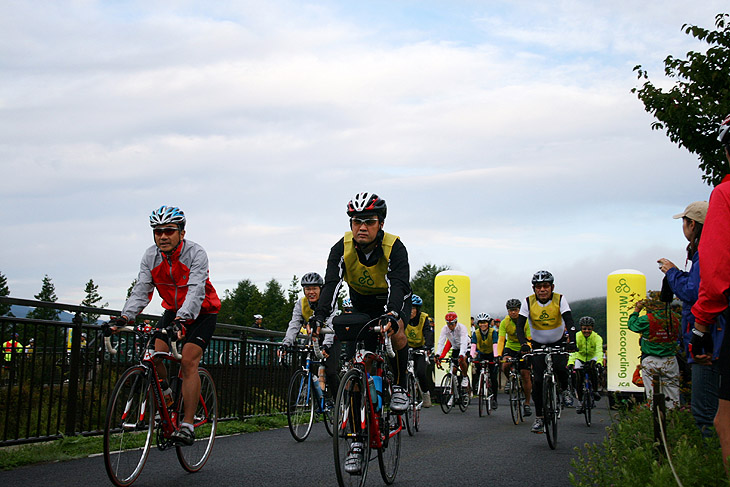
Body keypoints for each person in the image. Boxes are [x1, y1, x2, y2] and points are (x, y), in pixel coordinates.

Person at [312, 192, 411, 475]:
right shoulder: (340, 248)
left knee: (397, 333)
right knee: (356, 372)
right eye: (357, 221)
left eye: (369, 221)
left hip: (392, 301)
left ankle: (401, 386)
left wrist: (392, 314)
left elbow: (398, 284)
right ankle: (356, 443)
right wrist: (319, 317)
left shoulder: (395, 247)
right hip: (361, 306)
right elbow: (331, 285)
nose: (362, 227)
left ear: (380, 224)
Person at [112, 205, 221, 446]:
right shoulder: (150, 256)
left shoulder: (196, 253)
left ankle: (188, 424)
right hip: (173, 311)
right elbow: (142, 289)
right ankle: (168, 398)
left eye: (169, 231)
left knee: (188, 361)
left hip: (202, 312)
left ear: (181, 233)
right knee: (153, 354)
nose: (162, 236)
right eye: (158, 231)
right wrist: (125, 317)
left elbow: (196, 290)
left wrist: (182, 321)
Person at [659, 200, 722, 436]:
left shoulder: (704, 252)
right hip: (713, 337)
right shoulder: (715, 248)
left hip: (707, 340)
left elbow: (694, 292)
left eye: (684, 222)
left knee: (705, 414)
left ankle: (712, 466)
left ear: (692, 224)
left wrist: (672, 273)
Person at [690, 114, 730, 471]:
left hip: (723, 319)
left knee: (723, 420)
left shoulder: (725, 193)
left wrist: (700, 328)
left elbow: (716, 274)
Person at [515, 270, 577, 434]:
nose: (542, 289)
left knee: (561, 368)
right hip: (537, 344)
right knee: (537, 382)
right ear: (534, 288)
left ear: (552, 287)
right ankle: (540, 418)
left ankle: (564, 390)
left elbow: (569, 321)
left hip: (558, 342)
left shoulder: (560, 299)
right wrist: (524, 344)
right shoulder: (528, 302)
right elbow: (519, 327)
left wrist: (573, 341)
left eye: (546, 286)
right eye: (539, 287)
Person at [282, 272, 340, 400]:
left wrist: (327, 345)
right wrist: (286, 343)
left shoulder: (329, 301)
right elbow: (294, 324)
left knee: (330, 371)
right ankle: (310, 388)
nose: (311, 292)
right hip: (313, 338)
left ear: (321, 289)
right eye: (308, 289)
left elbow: (332, 323)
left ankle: (339, 403)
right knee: (304, 365)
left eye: (314, 288)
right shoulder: (301, 304)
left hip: (330, 337)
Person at [628, 294, 681, 408]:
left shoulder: (647, 319)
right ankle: (672, 418)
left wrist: (637, 310)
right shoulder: (675, 317)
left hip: (650, 359)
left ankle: (656, 418)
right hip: (671, 360)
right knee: (672, 396)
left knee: (652, 395)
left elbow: (632, 325)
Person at [498, 298, 533, 417]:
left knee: (525, 374)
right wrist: (498, 354)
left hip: (524, 346)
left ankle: (527, 403)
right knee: (505, 364)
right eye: (510, 310)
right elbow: (501, 340)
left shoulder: (526, 321)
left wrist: (527, 348)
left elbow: (529, 338)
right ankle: (510, 380)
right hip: (510, 347)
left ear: (519, 310)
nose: (513, 312)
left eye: (515, 310)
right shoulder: (504, 322)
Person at [568, 316, 603, 414]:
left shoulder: (597, 338)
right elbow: (573, 352)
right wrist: (570, 363)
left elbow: (599, 351)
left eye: (589, 329)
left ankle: (595, 391)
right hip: (580, 357)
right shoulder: (576, 336)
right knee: (578, 377)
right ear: (581, 328)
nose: (586, 331)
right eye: (584, 329)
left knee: (592, 367)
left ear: (592, 328)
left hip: (592, 357)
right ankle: (579, 402)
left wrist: (599, 362)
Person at [405, 294, 434, 407]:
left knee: (421, 372)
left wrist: (428, 346)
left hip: (420, 348)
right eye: (409, 308)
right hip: (406, 347)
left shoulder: (423, 318)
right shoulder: (404, 316)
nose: (411, 311)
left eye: (413, 308)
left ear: (417, 309)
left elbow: (428, 332)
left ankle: (426, 395)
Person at [435, 312, 470, 390]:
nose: (450, 326)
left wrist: (461, 354)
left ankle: (464, 377)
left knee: (462, 360)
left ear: (456, 322)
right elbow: (441, 342)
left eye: (452, 324)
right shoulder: (445, 329)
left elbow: (463, 342)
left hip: (466, 347)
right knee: (453, 369)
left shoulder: (462, 328)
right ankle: (454, 390)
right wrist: (438, 354)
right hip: (455, 348)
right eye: (448, 324)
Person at [471, 313, 499, 409]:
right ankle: (477, 385)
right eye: (481, 323)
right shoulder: (476, 333)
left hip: (492, 354)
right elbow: (473, 345)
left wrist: (496, 356)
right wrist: (471, 356)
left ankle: (495, 398)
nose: (483, 325)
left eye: (485, 322)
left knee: (494, 376)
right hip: (482, 354)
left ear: (488, 323)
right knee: (477, 369)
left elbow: (495, 344)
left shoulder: (493, 332)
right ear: (478, 324)